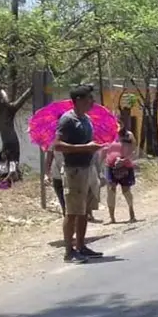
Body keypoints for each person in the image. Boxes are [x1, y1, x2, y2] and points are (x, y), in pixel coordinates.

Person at [53, 85, 105, 264]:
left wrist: (95, 147)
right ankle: (69, 251)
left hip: (88, 169)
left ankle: (81, 246)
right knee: (73, 211)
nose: (92, 101)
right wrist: (85, 148)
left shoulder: (87, 119)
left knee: (84, 211)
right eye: (89, 98)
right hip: (73, 171)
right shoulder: (67, 120)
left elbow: (88, 142)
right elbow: (57, 146)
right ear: (78, 100)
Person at [105, 129, 138, 223]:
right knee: (111, 190)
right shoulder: (108, 134)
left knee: (126, 191)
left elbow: (134, 151)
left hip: (126, 166)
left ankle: (132, 213)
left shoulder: (128, 135)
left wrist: (124, 160)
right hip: (110, 166)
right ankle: (111, 218)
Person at [44, 146, 67, 216]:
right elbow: (49, 155)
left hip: (71, 170)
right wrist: (47, 173)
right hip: (57, 171)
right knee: (60, 192)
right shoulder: (53, 139)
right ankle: (65, 211)